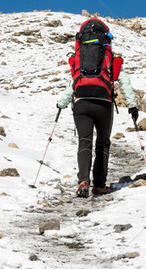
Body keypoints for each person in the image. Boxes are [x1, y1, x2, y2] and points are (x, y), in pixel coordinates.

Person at [57, 18, 139, 197]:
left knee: (84, 142)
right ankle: (100, 185)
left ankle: (83, 181)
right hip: (103, 105)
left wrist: (61, 104)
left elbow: (73, 82)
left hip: (81, 104)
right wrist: (132, 106)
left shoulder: (81, 60)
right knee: (102, 144)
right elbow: (124, 81)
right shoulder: (108, 58)